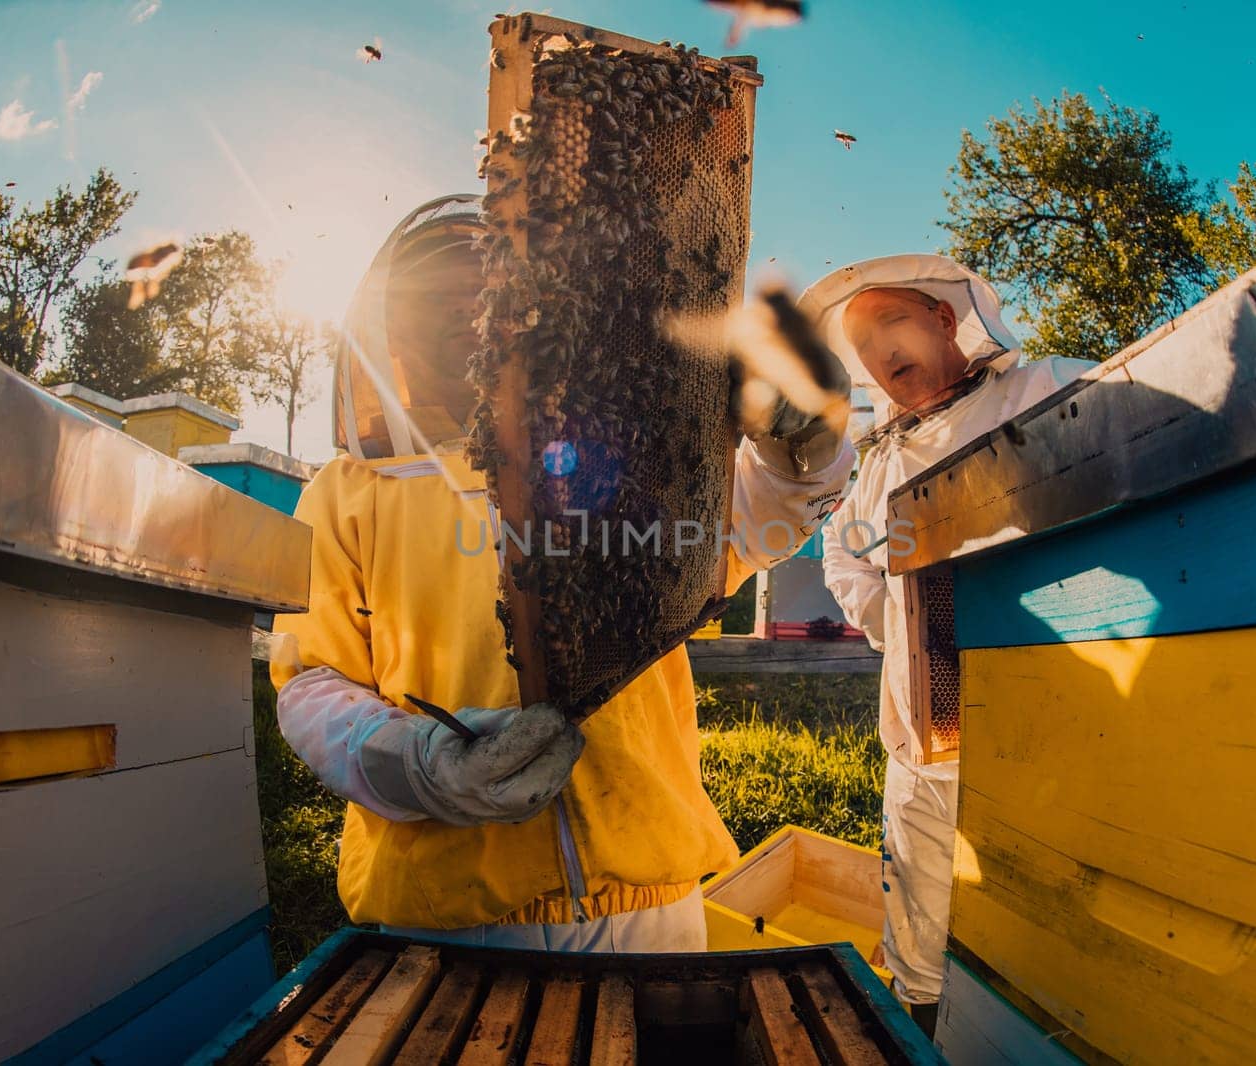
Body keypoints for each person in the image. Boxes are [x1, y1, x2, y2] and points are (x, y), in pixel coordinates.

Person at [269, 194, 855, 951]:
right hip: (445, 914)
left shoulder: (614, 463)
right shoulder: (346, 493)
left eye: (485, 292)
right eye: (431, 299)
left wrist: (802, 437)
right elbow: (311, 682)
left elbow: (761, 518)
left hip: (650, 904)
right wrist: (419, 766)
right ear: (389, 339)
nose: (462, 312)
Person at [804, 254, 1093, 1025]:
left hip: (1056, 731)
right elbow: (840, 551)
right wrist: (888, 621)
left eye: (891, 323)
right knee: (921, 939)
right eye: (862, 347)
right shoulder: (883, 462)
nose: (880, 354)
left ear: (942, 318)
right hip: (922, 739)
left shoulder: (1047, 388)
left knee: (1048, 950)